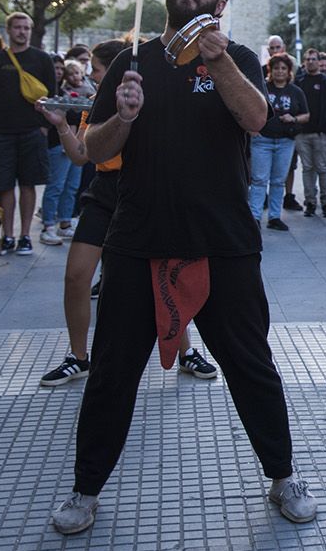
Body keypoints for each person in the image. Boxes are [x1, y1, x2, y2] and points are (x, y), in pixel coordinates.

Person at [49, 0, 315, 534]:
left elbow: (256, 120)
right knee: (114, 371)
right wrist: (124, 117)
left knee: (251, 365)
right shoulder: (132, 61)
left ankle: (282, 475)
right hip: (138, 239)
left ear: (220, 0)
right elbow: (93, 151)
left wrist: (216, 62)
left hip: (222, 243)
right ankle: (84, 490)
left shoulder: (238, 57)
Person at [36, 39, 216, 387]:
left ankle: (185, 350)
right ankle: (78, 357)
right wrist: (60, 124)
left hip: (144, 192)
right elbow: (81, 155)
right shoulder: (98, 105)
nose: (93, 78)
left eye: (99, 72)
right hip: (104, 193)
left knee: (165, 276)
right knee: (76, 276)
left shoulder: (144, 97)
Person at [0, 13, 55, 255]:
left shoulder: (42, 59)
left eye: (26, 28)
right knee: (5, 186)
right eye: (18, 27)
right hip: (1, 133)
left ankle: (25, 236)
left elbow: (52, 96)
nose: (22, 32)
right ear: (8, 30)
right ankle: (7, 236)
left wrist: (44, 127)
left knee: (28, 184)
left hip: (32, 131)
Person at [250, 53, 307, 230]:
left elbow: (306, 115)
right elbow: (248, 108)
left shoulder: (296, 91)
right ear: (270, 70)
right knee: (259, 180)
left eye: (283, 68)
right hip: (262, 141)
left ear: (289, 71)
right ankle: (254, 218)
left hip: (285, 142)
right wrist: (252, 129)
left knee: (278, 181)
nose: (279, 71)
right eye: (276, 68)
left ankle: (274, 217)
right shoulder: (261, 88)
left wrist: (294, 119)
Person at [39, 60, 90, 245]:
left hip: (75, 142)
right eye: (56, 69)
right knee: (56, 185)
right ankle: (48, 226)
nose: (59, 72)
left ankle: (65, 222)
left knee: (71, 186)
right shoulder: (56, 94)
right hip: (58, 144)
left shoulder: (83, 90)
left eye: (62, 68)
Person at [292, 48, 326, 218]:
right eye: (307, 59)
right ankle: (310, 202)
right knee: (307, 168)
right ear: (304, 61)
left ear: (318, 61)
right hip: (302, 133)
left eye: (313, 59)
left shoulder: (325, 82)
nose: (310, 61)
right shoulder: (299, 81)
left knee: (323, 168)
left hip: (320, 134)